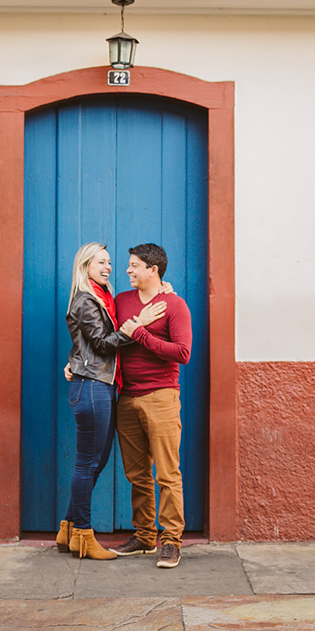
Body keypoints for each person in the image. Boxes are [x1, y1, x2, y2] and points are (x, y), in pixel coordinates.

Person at [57, 242, 166, 560]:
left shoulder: (102, 297)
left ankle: (68, 529)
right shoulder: (87, 301)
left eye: (108, 263)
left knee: (95, 462)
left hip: (98, 384)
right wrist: (137, 325)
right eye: (100, 263)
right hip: (92, 387)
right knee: (87, 463)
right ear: (85, 266)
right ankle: (84, 536)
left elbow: (84, 343)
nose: (107, 268)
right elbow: (104, 344)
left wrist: (74, 360)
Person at [109, 243, 192, 569]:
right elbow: (106, 336)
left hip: (161, 397)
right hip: (127, 397)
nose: (127, 270)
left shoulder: (175, 305)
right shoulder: (122, 301)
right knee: (137, 474)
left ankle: (171, 541)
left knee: (168, 474)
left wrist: (140, 333)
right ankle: (144, 536)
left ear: (152, 270)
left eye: (134, 266)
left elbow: (182, 353)